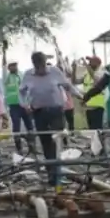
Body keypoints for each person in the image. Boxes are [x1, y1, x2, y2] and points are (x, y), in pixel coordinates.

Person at [20, 51, 80, 189]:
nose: (41, 70)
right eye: (38, 67)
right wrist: (25, 104)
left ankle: (58, 174)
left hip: (56, 111)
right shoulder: (28, 75)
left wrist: (80, 96)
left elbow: (67, 86)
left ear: (44, 63)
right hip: (39, 112)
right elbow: (21, 91)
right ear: (34, 65)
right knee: (46, 143)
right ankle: (52, 175)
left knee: (56, 139)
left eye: (42, 66)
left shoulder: (54, 72)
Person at [3, 61, 34, 155]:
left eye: (15, 65)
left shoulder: (22, 74)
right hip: (14, 105)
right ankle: (19, 148)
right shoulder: (7, 77)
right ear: (8, 67)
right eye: (11, 66)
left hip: (24, 104)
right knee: (16, 127)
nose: (13, 67)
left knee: (30, 125)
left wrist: (29, 103)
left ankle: (31, 146)